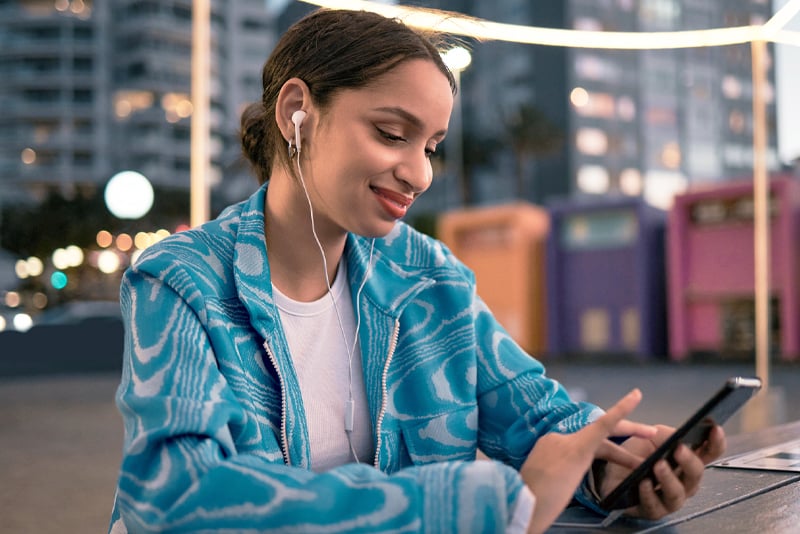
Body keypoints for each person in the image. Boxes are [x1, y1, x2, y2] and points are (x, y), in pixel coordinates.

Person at [108, 8, 725, 534]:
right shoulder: (180, 280)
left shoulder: (429, 274)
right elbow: (175, 497)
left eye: (429, 146)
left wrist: (612, 467)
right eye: (391, 133)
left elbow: (536, 415)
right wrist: (479, 506)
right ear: (297, 111)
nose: (420, 174)